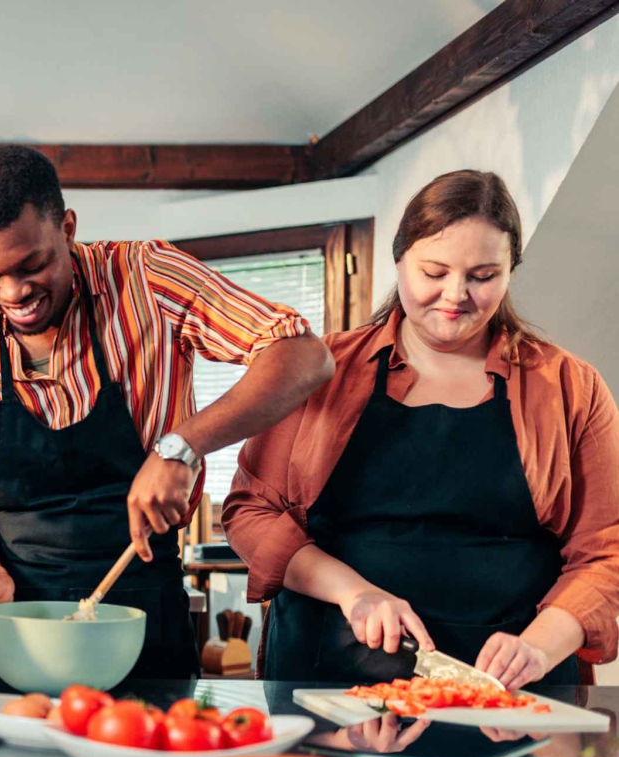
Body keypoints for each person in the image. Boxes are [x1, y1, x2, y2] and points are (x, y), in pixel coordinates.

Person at [0, 145, 333, 687]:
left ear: (67, 228)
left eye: (32, 265)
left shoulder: (146, 278)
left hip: (144, 621)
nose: (14, 292)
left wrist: (182, 446)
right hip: (20, 631)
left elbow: (305, 355)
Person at [224, 170, 619, 688]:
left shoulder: (569, 386)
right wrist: (353, 592)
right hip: (331, 673)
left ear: (510, 271)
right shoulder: (320, 371)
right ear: (399, 259)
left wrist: (539, 647)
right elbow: (251, 511)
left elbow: (606, 550)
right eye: (434, 271)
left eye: (483, 276)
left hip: (513, 689)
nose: (455, 295)